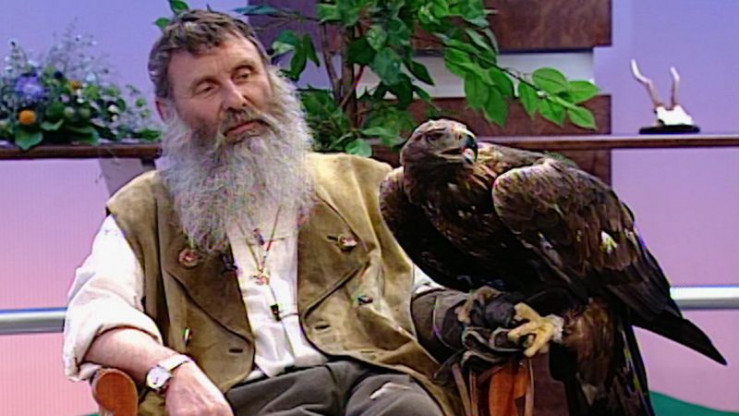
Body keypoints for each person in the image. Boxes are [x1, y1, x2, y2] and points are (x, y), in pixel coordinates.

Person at [62, 10, 553, 416]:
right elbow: (96, 316)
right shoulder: (144, 210)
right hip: (247, 399)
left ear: (271, 79)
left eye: (245, 75)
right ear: (168, 111)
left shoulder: (362, 182)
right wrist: (173, 372)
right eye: (207, 88)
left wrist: (485, 315)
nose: (237, 100)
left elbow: (418, 293)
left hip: (377, 380)